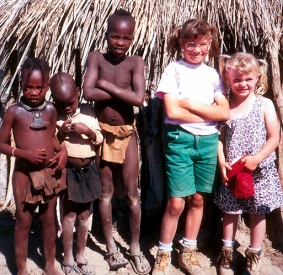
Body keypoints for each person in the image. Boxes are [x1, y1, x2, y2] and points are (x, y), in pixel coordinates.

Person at [152, 18, 230, 275]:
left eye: (203, 45)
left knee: (198, 199)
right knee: (176, 203)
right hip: (180, 140)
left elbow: (225, 111)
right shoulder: (173, 70)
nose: (197, 50)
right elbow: (172, 111)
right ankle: (163, 253)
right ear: (181, 44)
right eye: (191, 44)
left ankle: (188, 250)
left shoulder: (212, 75)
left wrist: (190, 105)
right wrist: (209, 114)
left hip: (207, 143)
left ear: (211, 44)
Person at [83, 9, 151, 275]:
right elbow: (88, 92)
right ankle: (111, 248)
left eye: (126, 37)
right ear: (107, 35)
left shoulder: (135, 62)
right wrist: (118, 91)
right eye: (115, 36)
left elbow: (137, 98)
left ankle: (134, 247)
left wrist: (106, 86)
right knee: (106, 191)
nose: (120, 42)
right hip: (101, 132)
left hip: (126, 133)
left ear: (132, 39)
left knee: (133, 193)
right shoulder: (96, 58)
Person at [0, 57, 67, 275]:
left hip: (49, 173)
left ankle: (49, 265)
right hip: (24, 173)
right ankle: (22, 269)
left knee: (48, 220)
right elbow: (1, 144)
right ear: (21, 86)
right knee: (24, 219)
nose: (33, 92)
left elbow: (52, 138)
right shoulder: (14, 112)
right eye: (28, 87)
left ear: (47, 87)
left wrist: (63, 151)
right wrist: (22, 153)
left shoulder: (51, 111)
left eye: (39, 87)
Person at [214, 52, 283, 275]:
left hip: (259, 171)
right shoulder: (224, 106)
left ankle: (254, 255)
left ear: (258, 78)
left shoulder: (265, 104)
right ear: (228, 79)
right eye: (237, 80)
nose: (242, 84)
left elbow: (274, 137)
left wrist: (256, 159)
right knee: (230, 212)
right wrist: (222, 162)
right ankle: (227, 255)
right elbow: (217, 138)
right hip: (233, 172)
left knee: (257, 213)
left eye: (248, 79)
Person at [50, 72, 103, 275]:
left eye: (71, 102)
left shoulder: (89, 112)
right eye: (61, 103)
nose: (67, 108)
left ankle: (81, 256)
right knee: (69, 215)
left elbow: (99, 139)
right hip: (68, 170)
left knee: (84, 215)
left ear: (79, 93)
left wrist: (87, 131)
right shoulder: (54, 116)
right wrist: (61, 133)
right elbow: (52, 144)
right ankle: (67, 258)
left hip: (88, 169)